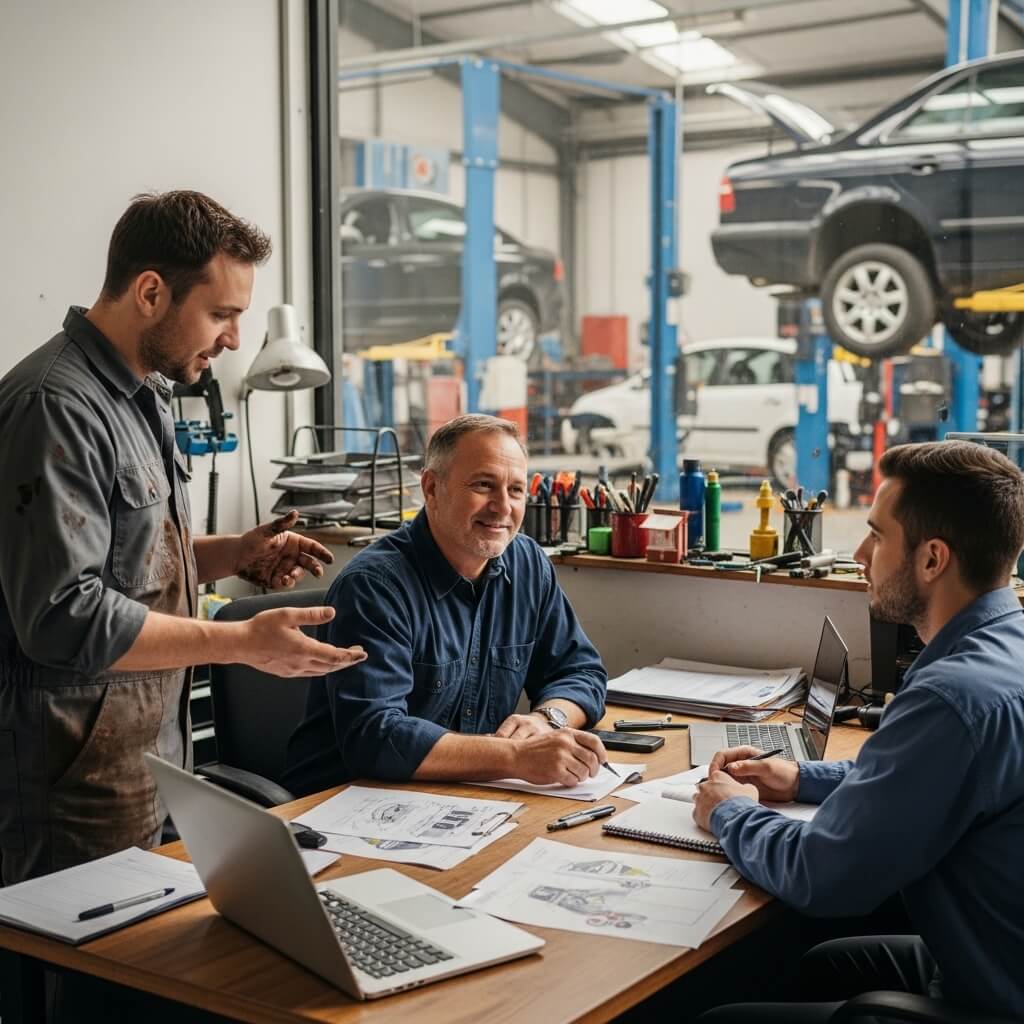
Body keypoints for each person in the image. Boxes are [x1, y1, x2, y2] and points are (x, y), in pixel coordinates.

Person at [0, 191, 365, 886]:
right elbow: (62, 615)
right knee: (77, 993)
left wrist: (234, 554)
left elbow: (126, 558)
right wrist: (242, 644)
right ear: (149, 292)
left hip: (149, 760)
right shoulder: (56, 408)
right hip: (68, 783)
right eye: (222, 314)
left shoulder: (145, 394)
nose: (233, 339)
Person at [692, 441, 1024, 1022]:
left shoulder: (950, 700)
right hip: (998, 960)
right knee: (820, 965)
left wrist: (729, 811)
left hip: (993, 997)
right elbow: (922, 779)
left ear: (932, 560)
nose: (861, 551)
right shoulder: (1004, 648)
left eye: (877, 534)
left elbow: (824, 875)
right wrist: (800, 778)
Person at [284, 414, 610, 794]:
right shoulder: (374, 587)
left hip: (463, 799)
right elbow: (377, 737)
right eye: (483, 485)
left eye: (516, 490)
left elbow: (581, 672)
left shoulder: (527, 564)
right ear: (432, 488)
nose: (502, 507)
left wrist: (547, 719)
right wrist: (515, 757)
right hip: (343, 805)